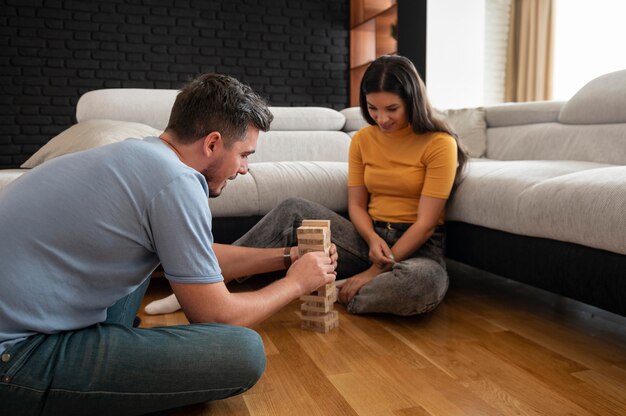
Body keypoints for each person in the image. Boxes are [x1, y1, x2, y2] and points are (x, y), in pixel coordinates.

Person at [0, 73, 337, 415]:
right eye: (244, 155)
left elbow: (196, 257)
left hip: (24, 319)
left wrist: (288, 257)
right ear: (212, 143)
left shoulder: (140, 156)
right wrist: (296, 283)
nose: (245, 169)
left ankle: (110, 352)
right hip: (16, 357)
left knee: (152, 255)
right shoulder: (177, 182)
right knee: (242, 352)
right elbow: (217, 317)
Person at [147, 55, 467, 317]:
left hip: (418, 248)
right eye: (372, 108)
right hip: (368, 237)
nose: (381, 118)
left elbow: (425, 224)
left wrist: (374, 271)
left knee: (420, 285)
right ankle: (206, 280)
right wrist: (370, 239)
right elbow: (356, 204)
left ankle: (334, 288)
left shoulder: (439, 144)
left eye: (391, 109)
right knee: (293, 208)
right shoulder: (363, 139)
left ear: (413, 101)